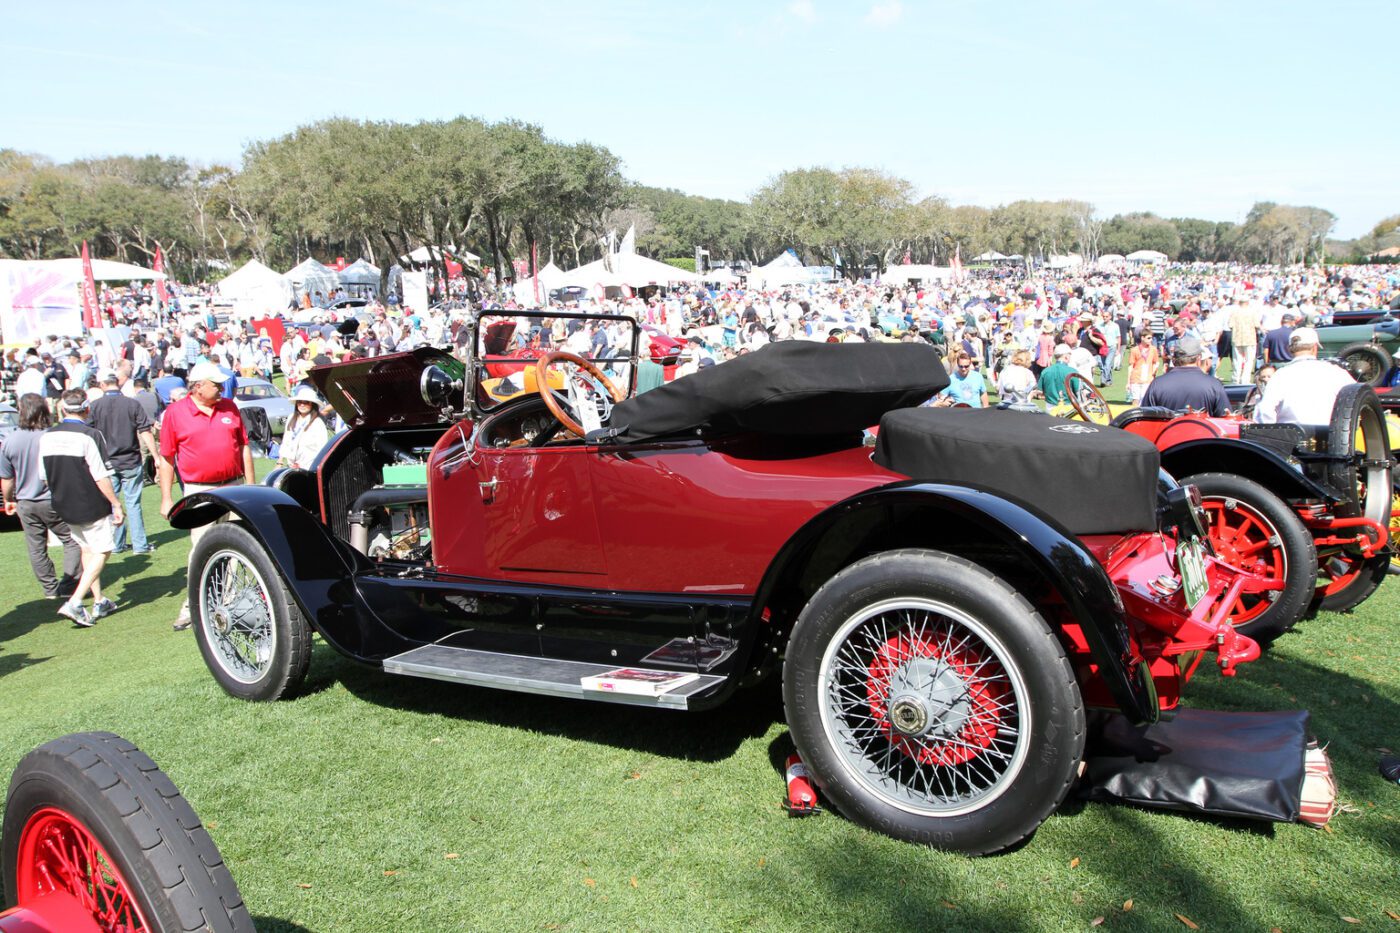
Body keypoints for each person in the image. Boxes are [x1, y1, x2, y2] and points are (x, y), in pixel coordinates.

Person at [159, 362, 255, 630]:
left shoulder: (229, 407)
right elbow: (166, 458)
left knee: (239, 545)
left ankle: (231, 603)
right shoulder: (176, 414)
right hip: (199, 490)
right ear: (198, 386)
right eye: (216, 384)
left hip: (234, 486)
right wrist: (166, 497)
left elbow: (243, 447)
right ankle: (193, 605)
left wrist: (251, 486)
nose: (222, 388)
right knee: (201, 548)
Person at [40, 390, 124, 627]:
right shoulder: (90, 435)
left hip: (62, 502)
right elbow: (101, 475)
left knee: (87, 549)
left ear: (62, 409)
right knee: (103, 550)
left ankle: (99, 600)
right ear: (87, 410)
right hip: (90, 502)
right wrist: (115, 503)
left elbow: (44, 476)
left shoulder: (46, 436)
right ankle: (76, 601)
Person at [0, 394, 80, 600]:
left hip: (26, 501)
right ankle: (69, 584)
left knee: (36, 547)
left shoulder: (10, 441)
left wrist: (9, 499)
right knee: (72, 540)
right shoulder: (53, 435)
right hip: (55, 499)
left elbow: (7, 478)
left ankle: (50, 589)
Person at [88, 369, 159, 553]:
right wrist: (156, 457)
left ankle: (117, 544)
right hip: (130, 460)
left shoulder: (95, 406)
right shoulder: (131, 404)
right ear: (117, 383)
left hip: (106, 463)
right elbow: (145, 431)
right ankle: (139, 545)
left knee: (112, 503)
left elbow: (87, 433)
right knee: (133, 504)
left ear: (103, 385)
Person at [1253, 327, 1354, 426]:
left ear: (1290, 349)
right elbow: (1357, 398)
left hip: (1291, 438)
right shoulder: (1336, 372)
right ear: (1315, 348)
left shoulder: (1280, 375)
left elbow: (1264, 411)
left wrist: (1275, 435)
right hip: (1331, 437)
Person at [1141, 337, 1231, 415]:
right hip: (1204, 434)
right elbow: (1224, 419)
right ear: (1199, 358)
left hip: (1169, 434)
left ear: (1174, 359)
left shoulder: (1158, 384)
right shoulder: (1213, 384)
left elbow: (1144, 418)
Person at [279, 385, 331, 470]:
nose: (302, 405)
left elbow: (322, 449)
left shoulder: (317, 423)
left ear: (312, 404)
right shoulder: (291, 418)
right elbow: (285, 441)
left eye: (306, 402)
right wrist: (280, 462)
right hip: (290, 467)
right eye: (300, 402)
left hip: (309, 468)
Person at [1037, 343, 1077, 412]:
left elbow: (1040, 391)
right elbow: (1078, 392)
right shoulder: (1072, 371)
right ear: (1066, 356)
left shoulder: (1046, 371)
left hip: (1050, 407)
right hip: (1069, 408)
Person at [1126, 331, 1159, 404]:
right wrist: (1128, 382)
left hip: (1148, 379)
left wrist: (1153, 373)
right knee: (1135, 399)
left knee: (1145, 400)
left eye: (1151, 338)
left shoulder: (1153, 349)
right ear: (1142, 338)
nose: (1151, 340)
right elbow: (1131, 366)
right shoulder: (1134, 350)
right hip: (1136, 378)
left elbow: (1156, 362)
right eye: (1148, 338)